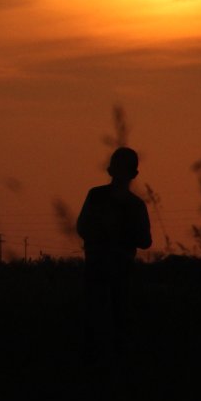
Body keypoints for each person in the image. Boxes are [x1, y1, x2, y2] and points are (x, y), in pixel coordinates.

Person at [77, 146, 151, 361]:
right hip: (111, 271)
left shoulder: (97, 197)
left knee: (104, 322)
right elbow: (145, 241)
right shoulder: (135, 205)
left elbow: (82, 227)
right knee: (113, 323)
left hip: (109, 271)